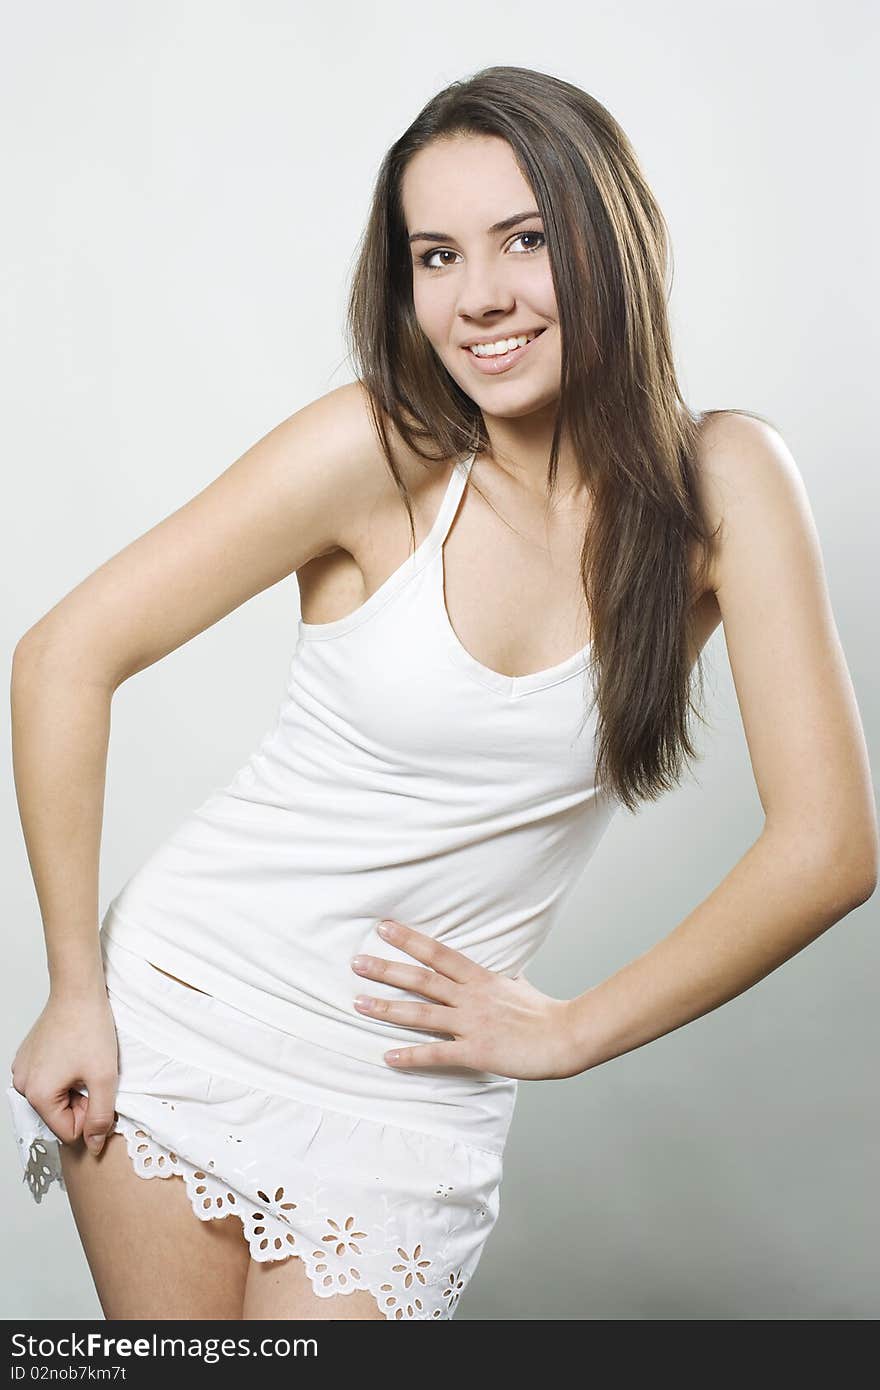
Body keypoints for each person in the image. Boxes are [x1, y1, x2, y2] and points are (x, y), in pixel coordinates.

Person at [7, 64, 877, 1322]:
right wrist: (74, 991)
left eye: (524, 239)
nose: (481, 298)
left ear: (607, 239)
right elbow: (60, 657)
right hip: (184, 1019)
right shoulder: (379, 452)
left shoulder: (722, 488)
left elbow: (830, 847)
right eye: (436, 256)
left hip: (406, 1100)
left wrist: (573, 1030)